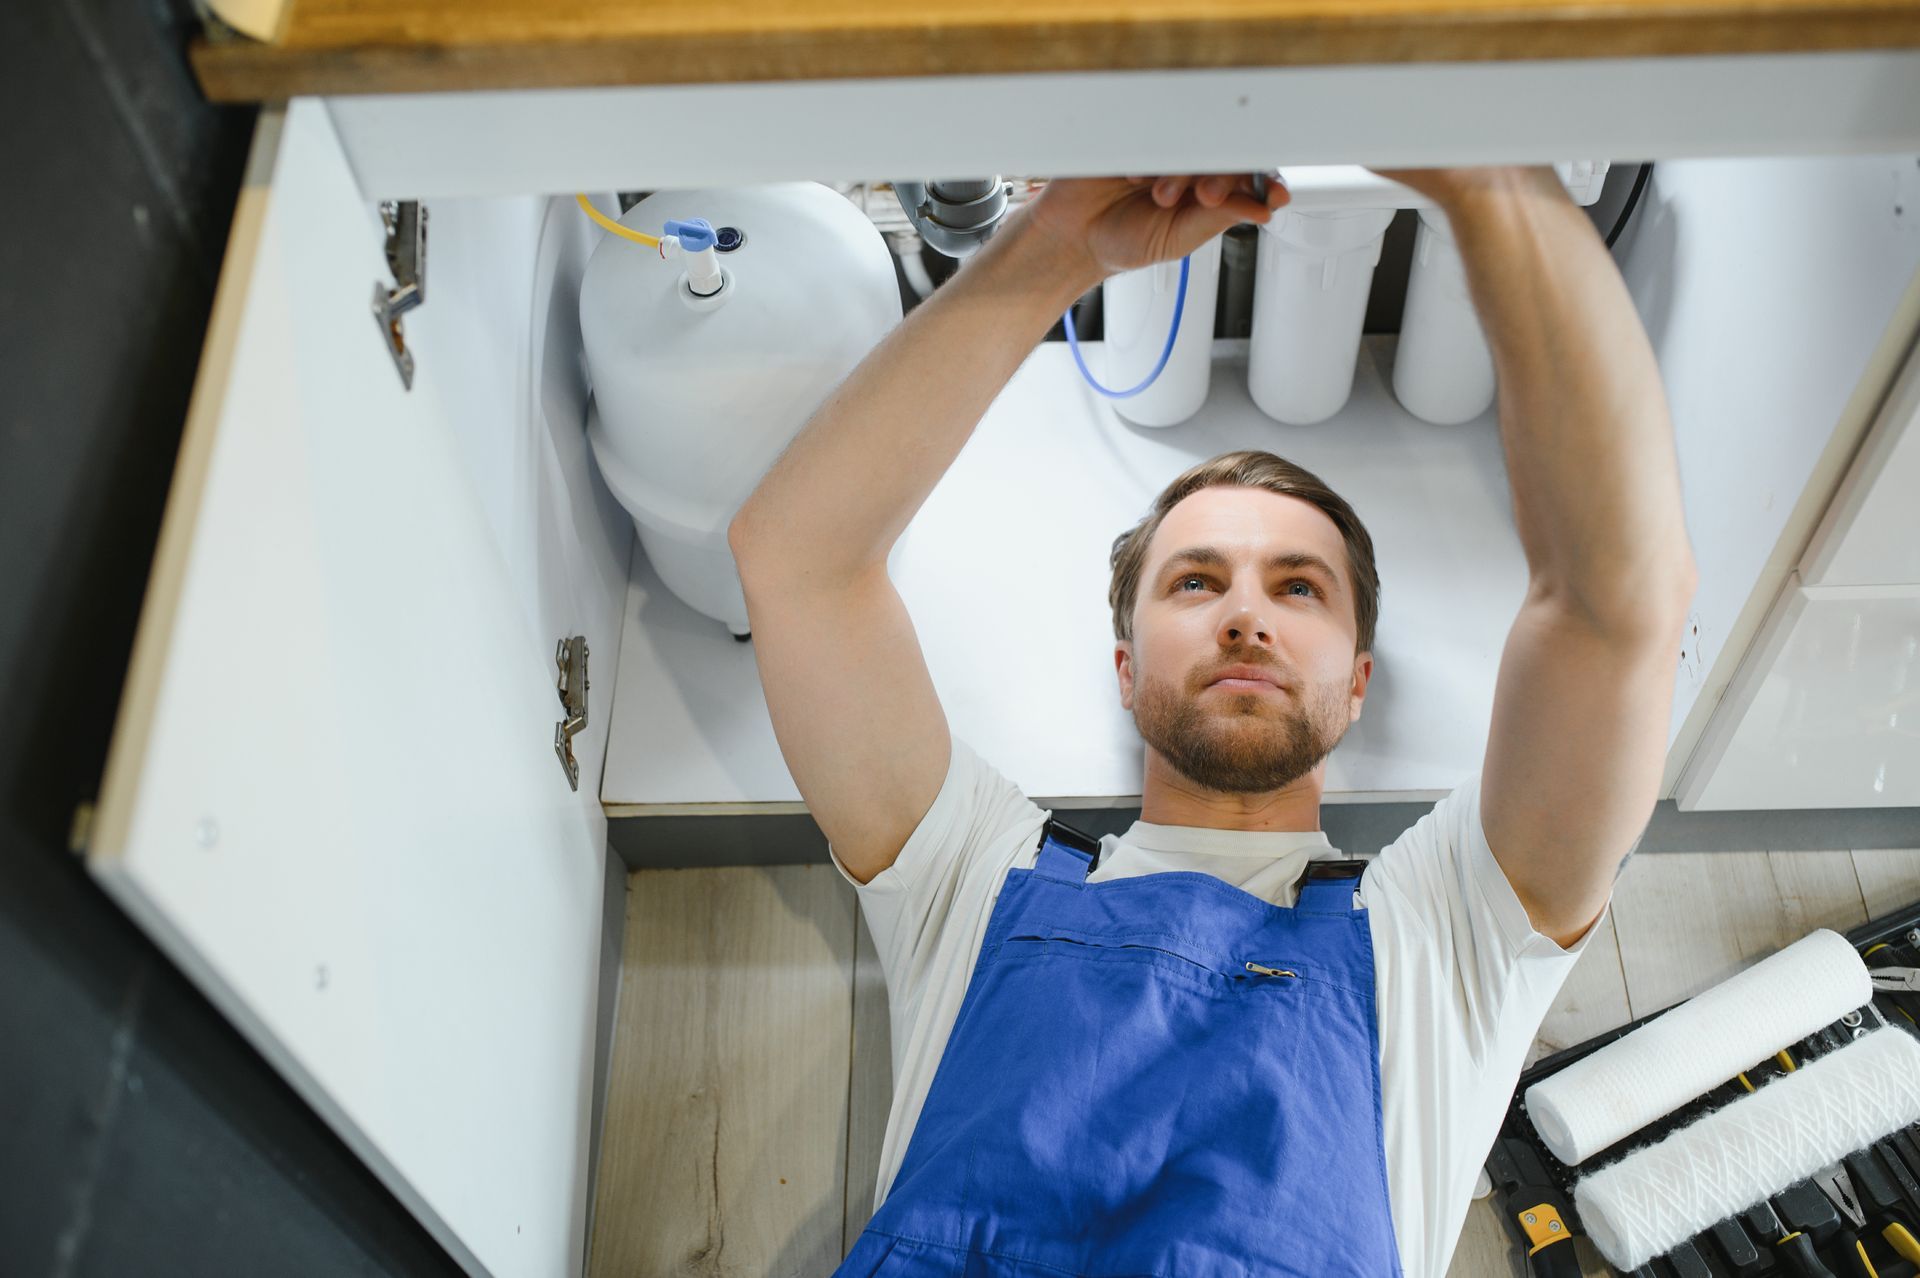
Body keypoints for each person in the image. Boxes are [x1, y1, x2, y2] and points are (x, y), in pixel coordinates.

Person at [727, 168, 1698, 1278]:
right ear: (1127, 670)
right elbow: (795, 562)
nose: (1245, 614)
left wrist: (1487, 184)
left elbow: (1619, 603)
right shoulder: (967, 874)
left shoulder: (1452, 932)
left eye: (1298, 588)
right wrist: (1054, 245)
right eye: (1196, 584)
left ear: (1360, 680)